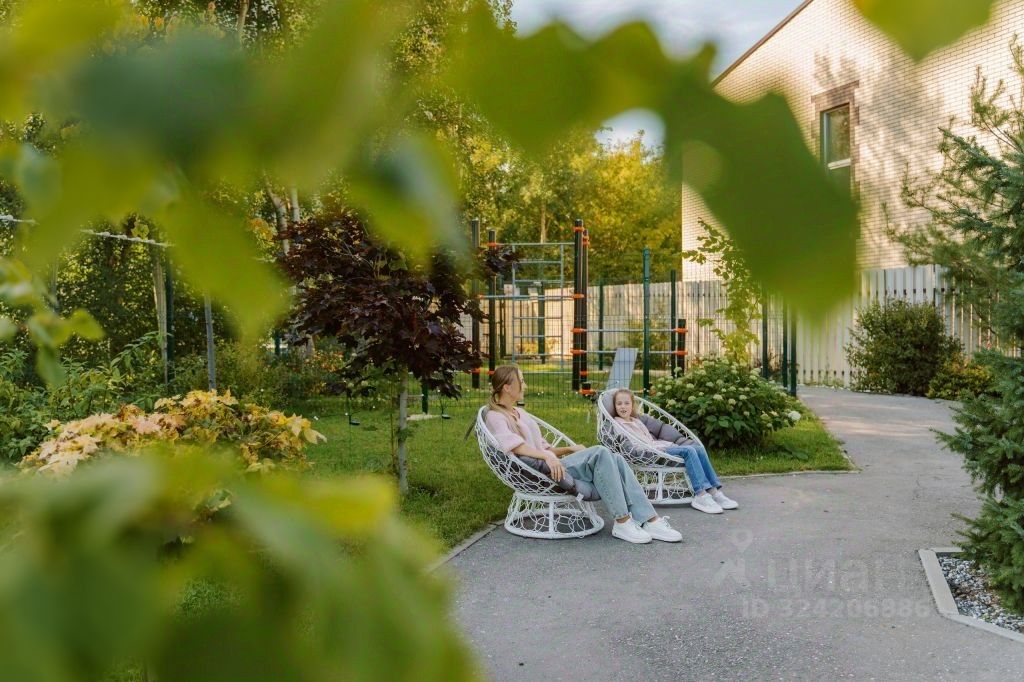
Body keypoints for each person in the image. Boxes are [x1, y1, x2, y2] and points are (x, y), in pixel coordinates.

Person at [484, 365, 682, 544]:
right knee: (601, 452)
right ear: (507, 387)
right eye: (522, 380)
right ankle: (622, 521)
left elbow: (545, 448)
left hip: (553, 465)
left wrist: (569, 449)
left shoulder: (520, 413)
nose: (525, 385)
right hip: (542, 473)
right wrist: (546, 457)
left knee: (616, 459)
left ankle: (650, 519)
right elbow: (513, 446)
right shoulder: (496, 416)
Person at [610, 388, 738, 515]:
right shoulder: (617, 423)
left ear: (632, 405)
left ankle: (714, 492)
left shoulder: (636, 421)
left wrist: (661, 444)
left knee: (698, 449)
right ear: (615, 406)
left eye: (626, 403)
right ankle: (701, 494)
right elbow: (632, 445)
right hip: (650, 452)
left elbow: (649, 438)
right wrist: (657, 447)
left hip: (658, 446)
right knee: (688, 451)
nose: (623, 407)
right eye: (619, 403)